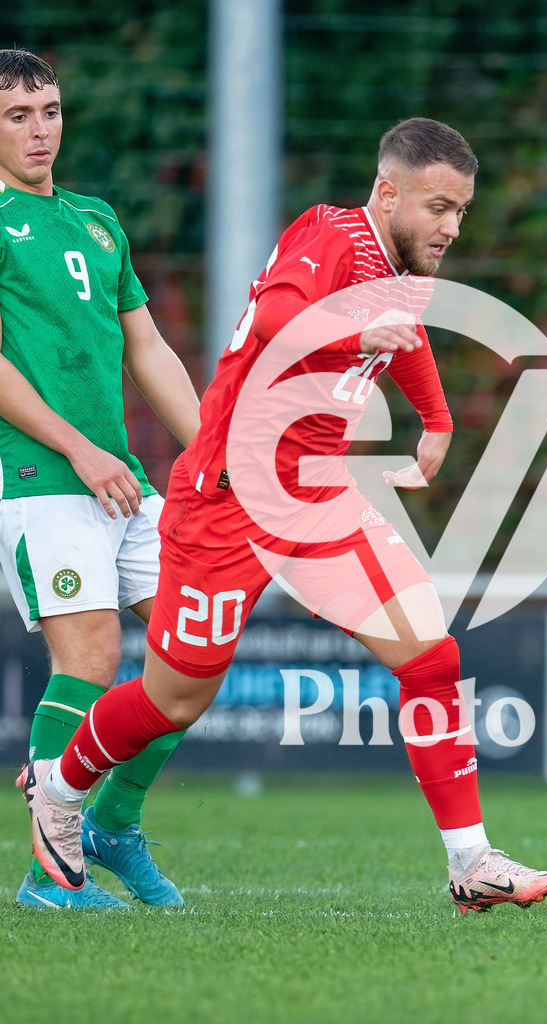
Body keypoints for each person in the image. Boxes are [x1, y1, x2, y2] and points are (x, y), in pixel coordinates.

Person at [18, 116, 547, 914]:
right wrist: (353, 327)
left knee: (431, 657)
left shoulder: (399, 264)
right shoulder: (331, 233)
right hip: (226, 497)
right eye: (438, 207)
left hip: (316, 499)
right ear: (387, 192)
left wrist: (437, 420)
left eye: (461, 212)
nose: (450, 227)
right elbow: (279, 314)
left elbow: (402, 332)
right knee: (176, 698)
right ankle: (60, 792)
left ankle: (471, 861)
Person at [0, 48, 200, 909]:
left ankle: (113, 824)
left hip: (124, 482)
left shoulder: (96, 220)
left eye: (48, 110)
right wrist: (80, 448)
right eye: (17, 116)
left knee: (192, 657)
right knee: (90, 658)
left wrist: (209, 456)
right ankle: (51, 873)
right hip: (40, 474)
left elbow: (147, 348)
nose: (39, 129)